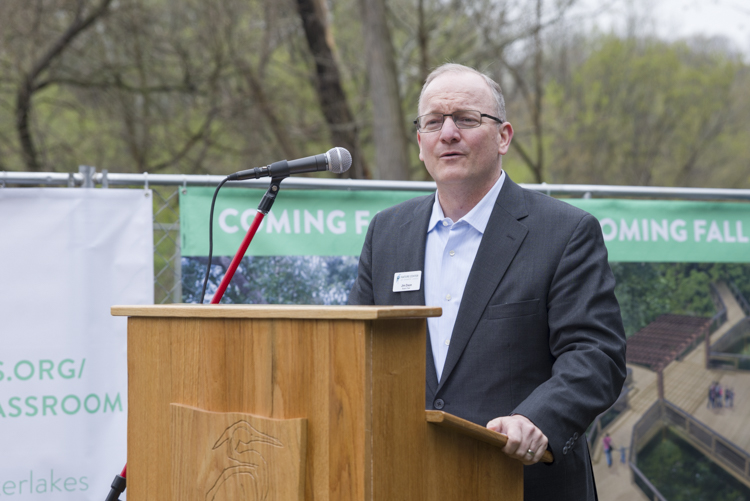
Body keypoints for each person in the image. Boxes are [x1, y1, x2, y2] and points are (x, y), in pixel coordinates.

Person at [348, 63, 627, 501]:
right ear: (419, 141)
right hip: (407, 480)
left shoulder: (565, 232)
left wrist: (537, 420)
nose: (448, 133)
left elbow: (596, 355)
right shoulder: (387, 233)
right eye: (433, 121)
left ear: (504, 136)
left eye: (466, 118)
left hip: (522, 482)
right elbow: (354, 353)